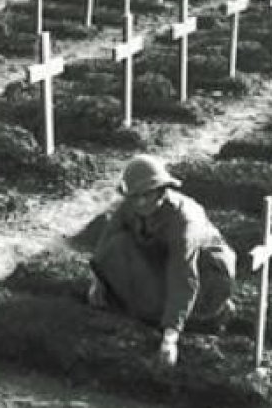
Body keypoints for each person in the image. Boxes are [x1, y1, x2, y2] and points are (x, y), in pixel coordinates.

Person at [87, 155, 237, 367]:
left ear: (162, 190)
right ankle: (156, 307)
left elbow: (183, 275)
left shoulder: (184, 222)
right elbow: (106, 241)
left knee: (170, 309)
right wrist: (98, 281)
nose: (139, 202)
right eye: (134, 196)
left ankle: (206, 316)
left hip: (207, 275)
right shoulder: (132, 204)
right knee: (118, 246)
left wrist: (170, 338)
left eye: (146, 195)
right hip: (163, 259)